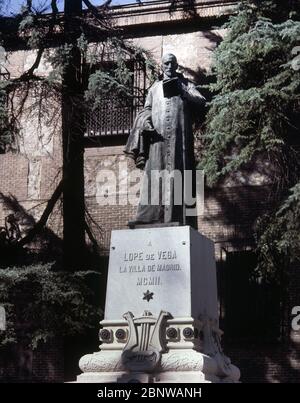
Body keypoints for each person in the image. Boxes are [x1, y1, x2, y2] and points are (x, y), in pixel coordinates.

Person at [124, 54, 205, 225]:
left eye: (172, 63)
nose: (169, 66)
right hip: (158, 139)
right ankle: (149, 216)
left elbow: (201, 101)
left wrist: (183, 92)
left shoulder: (186, 85)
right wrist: (145, 121)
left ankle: (177, 218)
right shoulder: (154, 89)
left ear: (176, 66)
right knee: (154, 174)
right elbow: (146, 110)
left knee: (180, 177)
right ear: (162, 67)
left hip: (179, 140)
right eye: (166, 63)